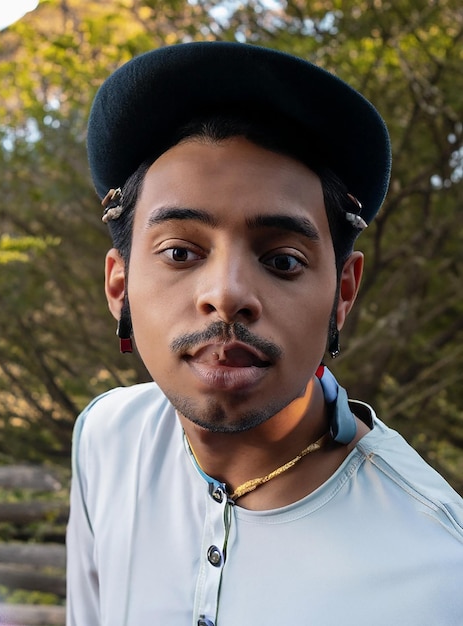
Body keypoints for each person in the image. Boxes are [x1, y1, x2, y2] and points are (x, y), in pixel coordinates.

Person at [66, 42, 463, 626]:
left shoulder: (441, 571)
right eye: (180, 251)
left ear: (343, 295)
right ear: (119, 284)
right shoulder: (106, 440)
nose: (226, 293)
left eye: (282, 261)